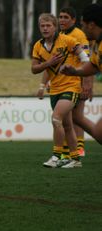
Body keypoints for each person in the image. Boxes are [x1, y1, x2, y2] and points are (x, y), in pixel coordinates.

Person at [31, 13, 90, 168]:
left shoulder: (68, 41)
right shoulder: (38, 46)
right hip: (55, 89)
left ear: (55, 27)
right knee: (67, 125)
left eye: (48, 25)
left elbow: (86, 60)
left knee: (56, 118)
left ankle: (56, 156)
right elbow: (34, 69)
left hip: (71, 86)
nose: (45, 28)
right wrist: (42, 84)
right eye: (42, 26)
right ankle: (76, 160)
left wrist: (78, 72)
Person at [61, 3, 102, 144]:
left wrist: (87, 83)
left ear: (91, 24)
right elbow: (93, 65)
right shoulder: (98, 43)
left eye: (82, 24)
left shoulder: (80, 36)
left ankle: (77, 150)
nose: (82, 27)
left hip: (75, 86)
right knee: (97, 131)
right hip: (70, 83)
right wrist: (75, 71)